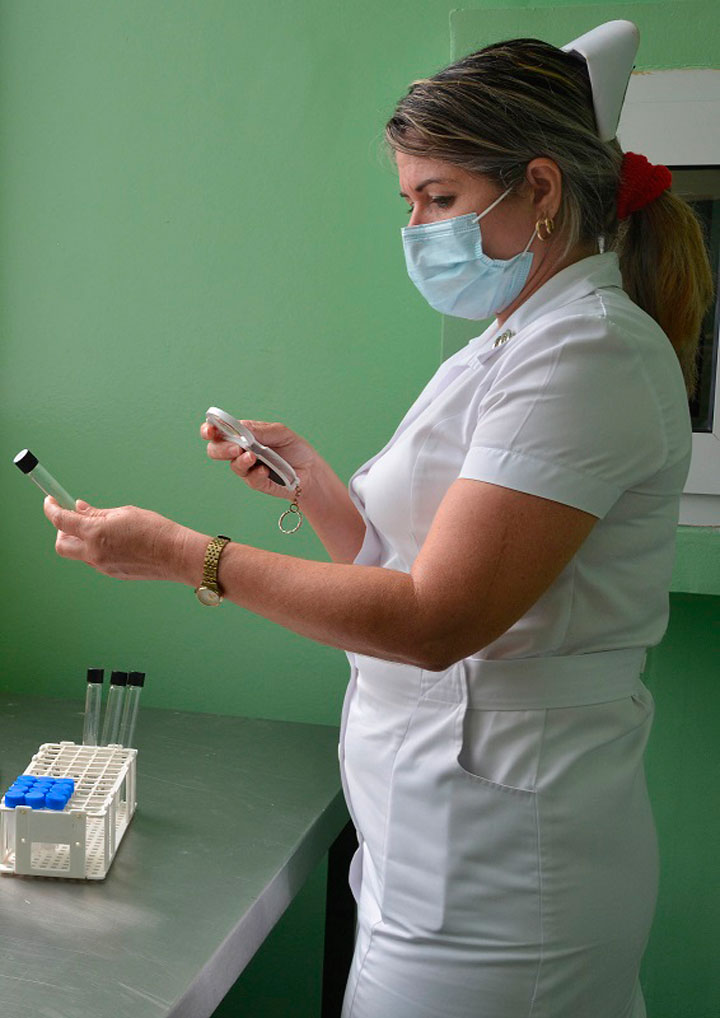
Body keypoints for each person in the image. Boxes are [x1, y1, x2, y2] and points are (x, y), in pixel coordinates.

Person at [43, 21, 713, 1018]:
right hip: (438, 844)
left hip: (504, 879)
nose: (418, 229)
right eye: (410, 201)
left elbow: (439, 618)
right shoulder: (510, 344)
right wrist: (315, 486)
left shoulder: (587, 356)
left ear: (538, 188)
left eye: (439, 199)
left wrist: (189, 555)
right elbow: (416, 569)